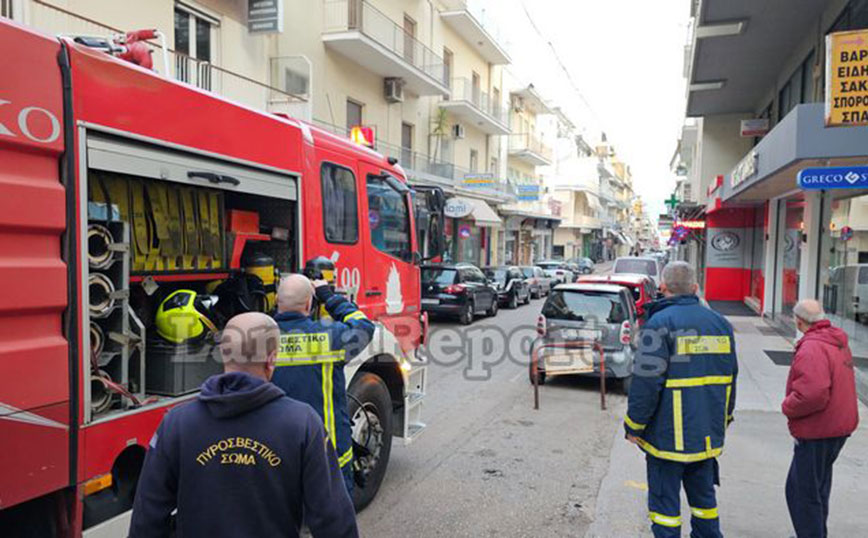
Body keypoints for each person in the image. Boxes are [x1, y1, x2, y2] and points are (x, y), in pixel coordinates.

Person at [129, 312, 358, 538]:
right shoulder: (303, 423)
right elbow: (333, 520)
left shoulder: (177, 423)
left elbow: (147, 516)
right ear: (271, 358)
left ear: (222, 353)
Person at [624, 262, 738, 538]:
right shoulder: (721, 324)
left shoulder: (658, 325)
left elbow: (646, 385)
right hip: (706, 435)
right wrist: (724, 418)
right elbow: (731, 377)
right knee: (704, 504)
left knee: (665, 508)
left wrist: (634, 426)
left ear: (663, 289)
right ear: (695, 289)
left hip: (668, 438)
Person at [272, 274, 375, 496]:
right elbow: (364, 326)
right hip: (327, 450)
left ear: (276, 301)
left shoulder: (256, 337)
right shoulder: (330, 336)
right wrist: (329, 296)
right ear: (310, 304)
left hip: (275, 448)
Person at [783, 300, 859, 538]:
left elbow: (812, 394)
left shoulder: (812, 347)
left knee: (800, 492)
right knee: (817, 487)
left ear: (798, 320)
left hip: (818, 429)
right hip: (838, 426)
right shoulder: (836, 340)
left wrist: (787, 406)